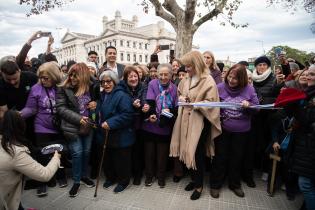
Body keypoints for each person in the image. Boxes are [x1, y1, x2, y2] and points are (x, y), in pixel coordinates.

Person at [170, 51, 221, 200]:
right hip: (185, 119)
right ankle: (194, 180)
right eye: (185, 66)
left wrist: (196, 104)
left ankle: (199, 186)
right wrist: (182, 97)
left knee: (196, 153)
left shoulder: (208, 80)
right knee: (186, 149)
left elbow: (212, 103)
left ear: (197, 65)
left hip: (200, 122)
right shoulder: (186, 78)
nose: (186, 70)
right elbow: (180, 92)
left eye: (189, 66)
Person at [210, 64, 259, 198]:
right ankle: (215, 185)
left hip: (242, 132)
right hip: (223, 130)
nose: (231, 80)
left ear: (242, 79)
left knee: (237, 158)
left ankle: (235, 184)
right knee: (220, 157)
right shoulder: (219, 87)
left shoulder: (249, 89)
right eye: (229, 76)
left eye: (235, 78)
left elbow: (257, 108)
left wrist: (249, 106)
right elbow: (211, 104)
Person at [19, 61, 67, 197]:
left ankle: (60, 175)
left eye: (46, 78)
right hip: (41, 126)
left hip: (59, 126)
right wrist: (19, 115)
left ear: (54, 76)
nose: (43, 81)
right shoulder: (36, 88)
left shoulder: (61, 87)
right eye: (41, 78)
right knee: (43, 154)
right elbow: (31, 108)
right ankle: (42, 182)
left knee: (60, 152)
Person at [0, 110, 60, 210]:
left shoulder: (7, 142)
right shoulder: (15, 152)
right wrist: (56, 158)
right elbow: (44, 174)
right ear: (20, 126)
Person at [56, 63, 99, 197]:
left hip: (88, 125)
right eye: (71, 75)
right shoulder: (64, 87)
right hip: (72, 126)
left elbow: (99, 96)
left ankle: (84, 176)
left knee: (86, 153)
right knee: (77, 153)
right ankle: (76, 181)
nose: (73, 78)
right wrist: (78, 118)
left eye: (76, 76)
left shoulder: (92, 86)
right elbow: (61, 108)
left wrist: (95, 103)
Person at [97, 70, 135, 193]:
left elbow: (128, 115)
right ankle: (111, 178)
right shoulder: (102, 95)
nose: (106, 84)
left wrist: (111, 123)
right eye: (103, 82)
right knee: (109, 159)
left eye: (109, 81)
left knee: (121, 160)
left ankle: (123, 182)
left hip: (121, 135)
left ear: (114, 82)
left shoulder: (122, 95)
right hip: (107, 134)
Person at [142, 63, 178, 188]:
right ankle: (149, 176)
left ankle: (161, 177)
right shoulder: (152, 84)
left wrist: (167, 115)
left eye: (166, 74)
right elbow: (150, 102)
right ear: (157, 75)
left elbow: (176, 109)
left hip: (164, 126)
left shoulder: (174, 88)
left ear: (171, 75)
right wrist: (152, 115)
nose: (163, 77)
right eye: (160, 74)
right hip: (150, 126)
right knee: (149, 154)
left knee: (162, 156)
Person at [285, 65, 315, 210]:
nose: (308, 76)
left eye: (313, 74)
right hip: (303, 144)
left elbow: (307, 119)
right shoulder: (307, 93)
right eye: (307, 73)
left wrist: (294, 105)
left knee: (305, 184)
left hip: (310, 145)